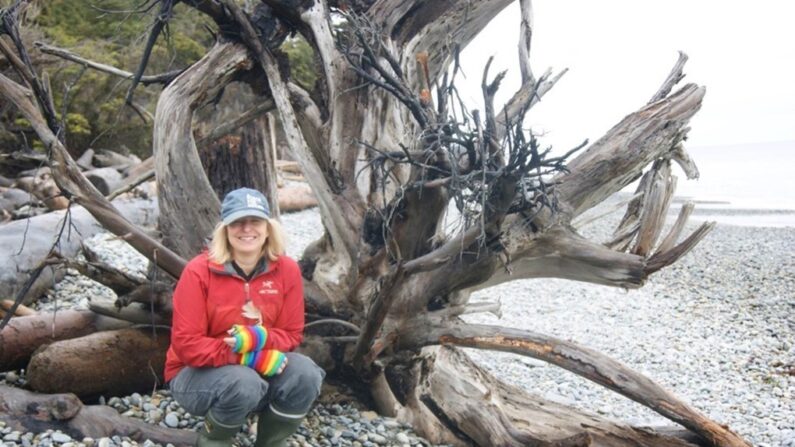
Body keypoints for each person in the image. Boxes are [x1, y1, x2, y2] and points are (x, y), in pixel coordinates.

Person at [164, 187, 325, 447]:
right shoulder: (198, 272)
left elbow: (292, 334)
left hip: (258, 370)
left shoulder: (287, 269)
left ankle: (270, 443)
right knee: (243, 382)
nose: (247, 229)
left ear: (268, 228)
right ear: (225, 229)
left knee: (306, 373)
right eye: (238, 222)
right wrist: (250, 357)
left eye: (255, 221)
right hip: (193, 375)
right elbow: (187, 346)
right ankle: (213, 441)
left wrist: (255, 338)